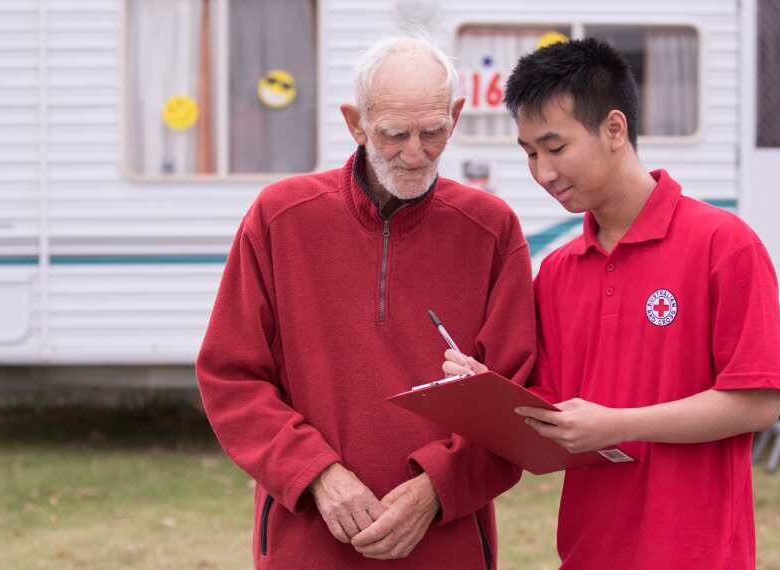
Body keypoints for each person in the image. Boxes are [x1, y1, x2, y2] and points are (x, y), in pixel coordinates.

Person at [444, 38, 780, 569]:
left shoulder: (724, 244)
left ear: (613, 129)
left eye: (555, 149)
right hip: (587, 553)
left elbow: (758, 402)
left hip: (696, 554)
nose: (543, 173)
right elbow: (552, 411)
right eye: (530, 153)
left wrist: (621, 424)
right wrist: (482, 391)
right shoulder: (556, 272)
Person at [196, 36, 537, 569]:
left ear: (457, 115)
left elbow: (517, 394)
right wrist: (317, 475)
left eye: (434, 132)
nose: (416, 153)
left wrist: (436, 489)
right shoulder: (280, 217)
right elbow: (230, 376)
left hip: (446, 545)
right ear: (355, 123)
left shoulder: (491, 229)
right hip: (307, 541)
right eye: (394, 134)